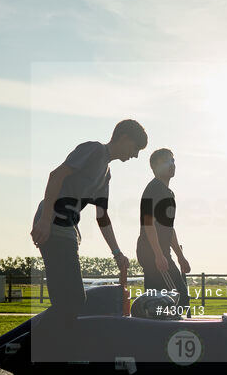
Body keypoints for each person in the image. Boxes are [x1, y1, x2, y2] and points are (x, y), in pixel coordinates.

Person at [31, 119, 147, 325]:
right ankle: (32, 347)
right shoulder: (93, 150)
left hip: (68, 229)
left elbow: (102, 217)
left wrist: (117, 254)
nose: (136, 154)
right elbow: (56, 175)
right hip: (53, 224)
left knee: (68, 303)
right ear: (124, 138)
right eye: (135, 148)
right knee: (72, 301)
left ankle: (48, 351)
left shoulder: (106, 174)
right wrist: (45, 219)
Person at [136, 148, 191, 312]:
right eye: (167, 161)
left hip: (162, 252)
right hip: (153, 253)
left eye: (173, 161)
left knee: (159, 303)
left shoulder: (167, 192)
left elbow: (169, 228)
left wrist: (181, 257)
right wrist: (158, 255)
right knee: (177, 298)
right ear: (155, 166)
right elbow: (148, 223)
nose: (172, 164)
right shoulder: (154, 189)